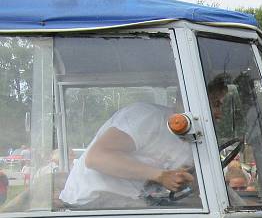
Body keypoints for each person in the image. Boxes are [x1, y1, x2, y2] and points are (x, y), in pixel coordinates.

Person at [60, 77, 228, 208]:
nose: (219, 114)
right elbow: (96, 157)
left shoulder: (192, 140)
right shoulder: (146, 117)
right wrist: (161, 176)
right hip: (90, 204)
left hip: (131, 203)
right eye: (214, 105)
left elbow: (195, 183)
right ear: (187, 102)